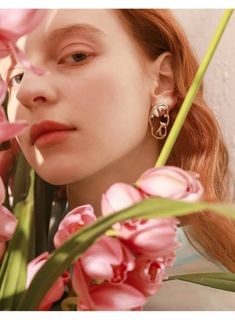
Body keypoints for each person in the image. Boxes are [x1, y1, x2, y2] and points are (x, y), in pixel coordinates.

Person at [0, 9, 235, 310]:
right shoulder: (20, 262)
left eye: (76, 56)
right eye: (16, 76)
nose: (27, 92)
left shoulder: (209, 295)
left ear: (163, 80)